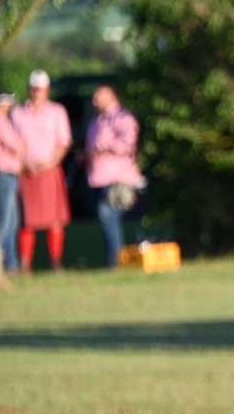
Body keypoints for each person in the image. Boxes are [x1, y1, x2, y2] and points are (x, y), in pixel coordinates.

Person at [10, 70, 73, 274]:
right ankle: (25, 263)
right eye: (34, 89)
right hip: (26, 171)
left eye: (41, 89)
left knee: (54, 220)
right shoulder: (17, 114)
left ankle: (55, 261)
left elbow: (64, 142)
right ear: (29, 89)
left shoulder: (57, 112)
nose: (37, 93)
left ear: (47, 91)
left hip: (49, 169)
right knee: (26, 221)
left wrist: (48, 163)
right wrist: (25, 165)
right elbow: (13, 143)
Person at [84, 84, 143, 268]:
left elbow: (128, 142)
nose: (95, 100)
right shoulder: (96, 121)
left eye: (99, 95)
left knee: (107, 214)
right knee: (107, 218)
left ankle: (116, 260)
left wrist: (106, 148)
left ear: (112, 96)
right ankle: (116, 257)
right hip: (98, 178)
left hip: (117, 178)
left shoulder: (122, 117)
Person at [0, 93, 20, 272]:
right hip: (3, 174)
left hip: (6, 175)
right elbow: (16, 145)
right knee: (6, 221)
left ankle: (11, 262)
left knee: (11, 221)